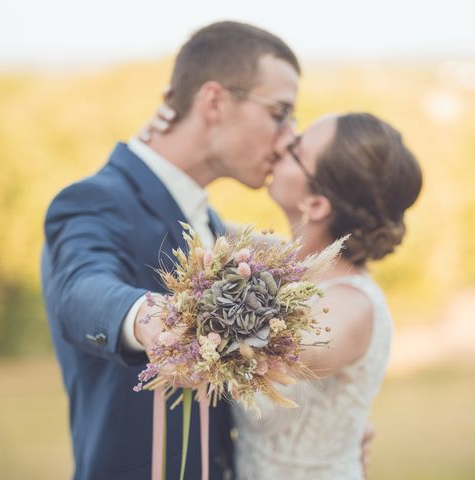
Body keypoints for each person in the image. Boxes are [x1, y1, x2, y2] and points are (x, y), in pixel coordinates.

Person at [40, 21, 300, 480]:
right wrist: (145, 317)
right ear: (215, 101)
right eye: (280, 113)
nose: (288, 139)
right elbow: (80, 289)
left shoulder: (214, 224)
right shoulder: (96, 199)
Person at [231, 112, 423, 479]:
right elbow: (194, 218)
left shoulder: (351, 306)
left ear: (316, 205)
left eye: (296, 149)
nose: (282, 142)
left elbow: (292, 350)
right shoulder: (273, 261)